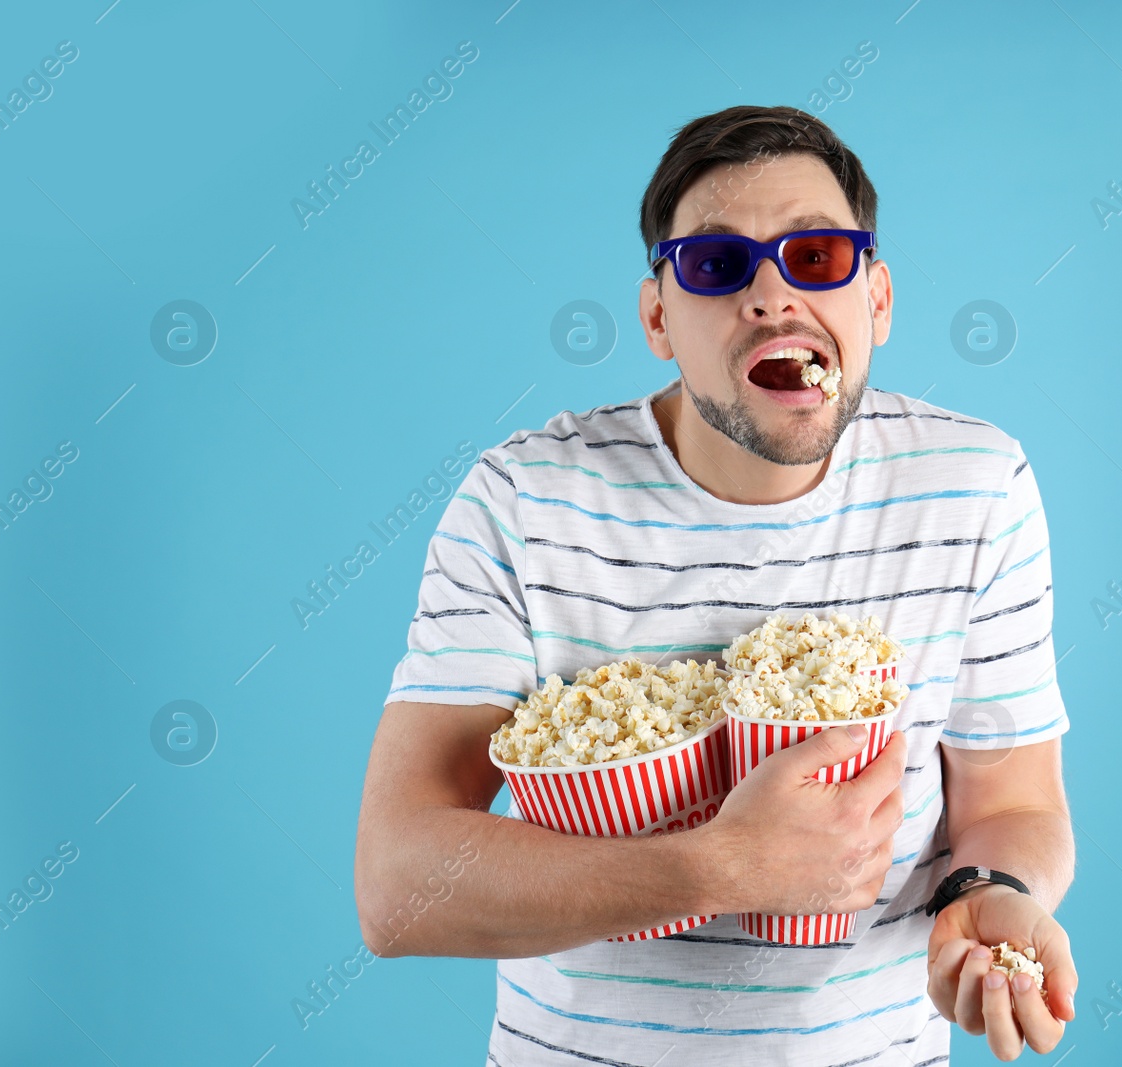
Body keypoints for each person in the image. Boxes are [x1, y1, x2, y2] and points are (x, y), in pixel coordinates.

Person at [355, 104, 1077, 1065]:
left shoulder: (975, 486)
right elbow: (398, 884)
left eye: (816, 257)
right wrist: (720, 866)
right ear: (658, 314)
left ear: (880, 300)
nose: (772, 295)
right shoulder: (525, 499)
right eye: (716, 265)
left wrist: (989, 895)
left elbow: (1014, 799)